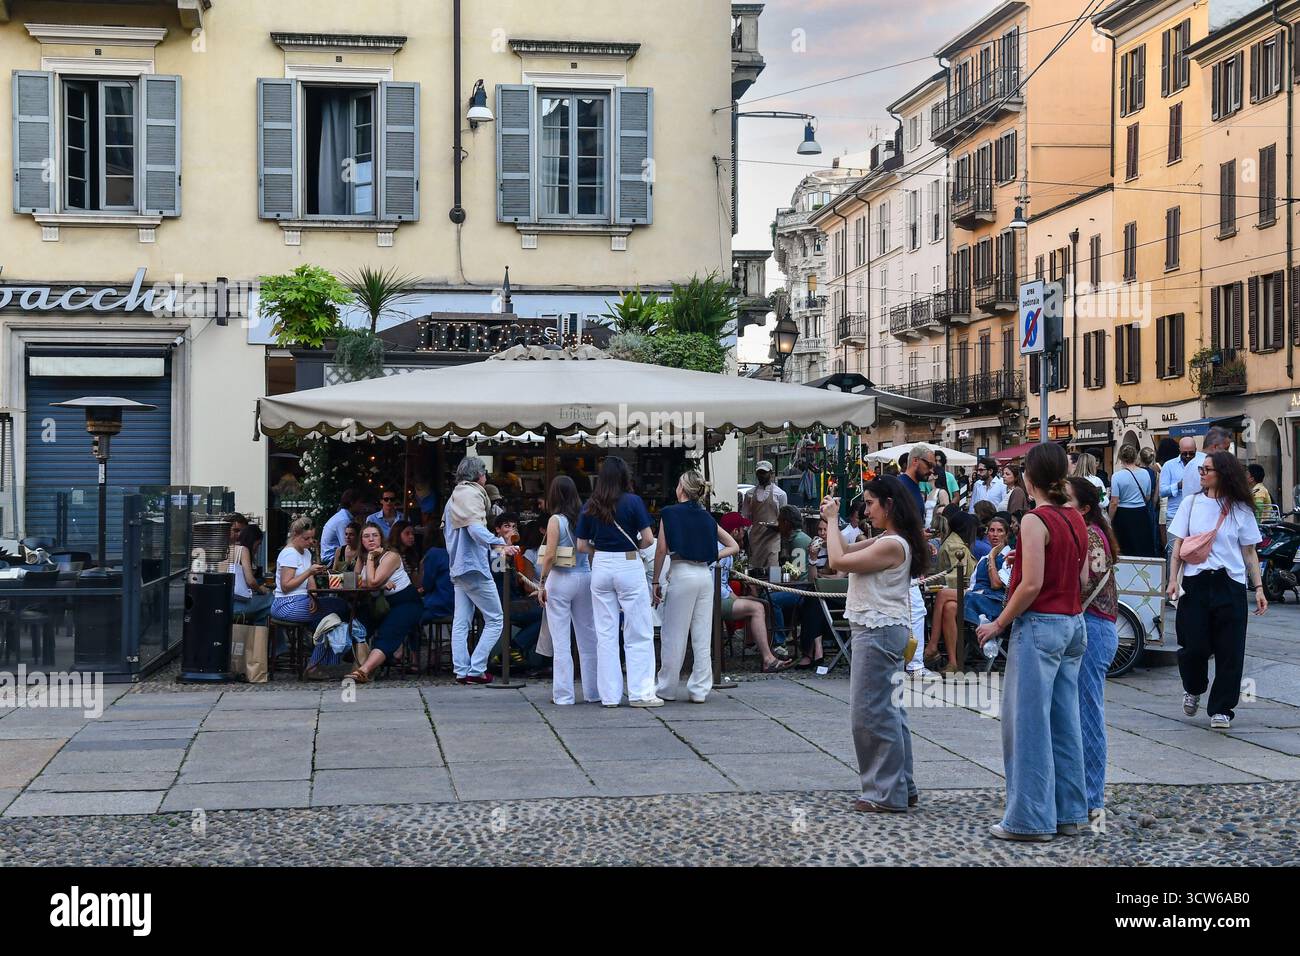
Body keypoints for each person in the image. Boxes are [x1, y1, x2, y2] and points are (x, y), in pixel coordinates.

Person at [975, 442, 1088, 842]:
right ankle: (1071, 814)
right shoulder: (1074, 516)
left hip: (1039, 625)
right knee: (1064, 723)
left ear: (1027, 478)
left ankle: (1029, 819)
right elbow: (1079, 574)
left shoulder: (1034, 521)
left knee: (1028, 727)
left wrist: (999, 624)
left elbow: (1032, 585)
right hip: (1073, 624)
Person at [822, 476, 928, 813]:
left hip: (878, 631)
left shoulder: (892, 544)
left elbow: (837, 561)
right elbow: (843, 551)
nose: (866, 510)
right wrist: (834, 526)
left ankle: (886, 793)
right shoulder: (888, 540)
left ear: (889, 504)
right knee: (890, 713)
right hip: (882, 629)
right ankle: (901, 786)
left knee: (871, 715)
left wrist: (830, 521)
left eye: (870, 503)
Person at [1167, 451, 1267, 730]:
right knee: (1193, 646)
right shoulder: (1191, 503)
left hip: (1230, 583)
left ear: (1223, 473)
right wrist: (1173, 579)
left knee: (1230, 650)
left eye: (1207, 469)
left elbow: (1249, 552)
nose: (1201, 472)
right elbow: (1178, 545)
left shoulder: (1240, 508)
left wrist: (1258, 588)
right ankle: (1194, 687)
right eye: (1201, 468)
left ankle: (1222, 709)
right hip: (1196, 582)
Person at [577, 455, 660, 708]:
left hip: (601, 565)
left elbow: (581, 545)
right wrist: (630, 547)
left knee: (605, 633)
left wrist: (600, 553)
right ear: (625, 477)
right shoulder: (633, 502)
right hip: (628, 563)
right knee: (638, 630)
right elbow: (648, 539)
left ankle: (610, 696)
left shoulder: (590, 505)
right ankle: (641, 692)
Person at [653, 471, 744, 701]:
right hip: (704, 574)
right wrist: (712, 556)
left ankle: (667, 687)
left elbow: (661, 549)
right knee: (702, 635)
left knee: (674, 633)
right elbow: (733, 545)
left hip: (682, 571)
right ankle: (699, 689)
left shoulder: (669, 513)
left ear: (681, 488)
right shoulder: (706, 517)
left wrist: (655, 580)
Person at [1066, 476, 1120, 821]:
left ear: (1084, 508)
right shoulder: (1089, 531)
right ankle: (1082, 792)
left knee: (1088, 713)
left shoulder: (1090, 534)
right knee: (1080, 711)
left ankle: (1092, 796)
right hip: (1095, 626)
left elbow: (1084, 584)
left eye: (1067, 499)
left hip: (1095, 627)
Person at [443, 457, 517, 685]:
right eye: (485, 473)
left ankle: (462, 669)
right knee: (496, 619)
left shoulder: (455, 497)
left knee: (461, 621)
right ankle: (476, 669)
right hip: (472, 566)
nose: (486, 477)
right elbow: (475, 530)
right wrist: (499, 544)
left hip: (458, 565)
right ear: (478, 475)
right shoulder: (471, 494)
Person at [536, 476, 599, 705]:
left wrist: (541, 583)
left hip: (560, 580)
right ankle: (593, 692)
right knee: (588, 637)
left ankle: (563, 695)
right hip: (585, 576)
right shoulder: (585, 515)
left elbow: (550, 555)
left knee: (561, 640)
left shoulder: (556, 520)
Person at [347, 522, 425, 683]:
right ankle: (353, 661)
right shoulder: (361, 558)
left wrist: (370, 559)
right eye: (366, 536)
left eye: (375, 535)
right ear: (361, 540)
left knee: (388, 633)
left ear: (381, 539)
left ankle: (364, 671)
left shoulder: (391, 556)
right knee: (355, 623)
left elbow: (372, 582)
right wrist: (380, 583)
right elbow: (356, 582)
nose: (371, 540)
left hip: (405, 602)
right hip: (380, 604)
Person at [922, 512, 979, 675]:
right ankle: (952, 662)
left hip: (974, 592)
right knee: (949, 606)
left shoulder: (954, 541)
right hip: (967, 589)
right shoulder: (957, 545)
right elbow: (956, 578)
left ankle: (934, 647)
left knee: (946, 600)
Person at [269, 517, 347, 627]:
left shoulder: (306, 552)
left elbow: (310, 581)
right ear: (295, 535)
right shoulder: (289, 553)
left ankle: (316, 641)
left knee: (336, 607)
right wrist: (309, 572)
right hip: (286, 604)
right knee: (340, 606)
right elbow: (285, 586)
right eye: (306, 538)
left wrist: (313, 596)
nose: (310, 541)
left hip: (302, 599)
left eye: (312, 537)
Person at [1108, 445, 1161, 556]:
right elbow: (1147, 497)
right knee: (1142, 547)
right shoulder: (1145, 473)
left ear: (1120, 458)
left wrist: (1109, 520)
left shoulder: (1116, 476)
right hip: (1141, 513)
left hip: (1123, 514)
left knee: (1125, 548)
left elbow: (1114, 502)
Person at [962, 515, 1012, 627]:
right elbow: (972, 585)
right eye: (992, 530)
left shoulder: (1009, 557)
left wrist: (992, 557)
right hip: (977, 596)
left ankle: (985, 632)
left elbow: (996, 584)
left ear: (1006, 534)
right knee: (949, 607)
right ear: (987, 534)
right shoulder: (983, 559)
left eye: (1000, 531)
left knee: (945, 595)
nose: (995, 534)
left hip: (996, 602)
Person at [740, 460, 787, 570]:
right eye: (759, 473)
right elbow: (745, 517)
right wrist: (744, 536)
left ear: (771, 473)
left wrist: (784, 546)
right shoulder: (749, 494)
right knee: (754, 571)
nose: (761, 475)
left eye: (764, 473)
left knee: (772, 570)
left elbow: (784, 519)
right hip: (755, 538)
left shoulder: (780, 494)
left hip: (773, 538)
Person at [228, 524, 272, 624]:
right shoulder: (243, 550)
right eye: (259, 544)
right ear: (254, 541)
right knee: (272, 600)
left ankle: (257, 636)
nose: (258, 547)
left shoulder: (228, 549)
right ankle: (259, 637)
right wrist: (262, 590)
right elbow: (250, 581)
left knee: (264, 611)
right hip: (236, 605)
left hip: (223, 603)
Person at [1182, 426, 1234, 498]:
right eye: (1226, 449)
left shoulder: (1190, 464)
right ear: (1215, 447)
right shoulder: (1212, 465)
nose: (1227, 453)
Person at [419, 526, 454, 624]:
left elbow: (427, 584)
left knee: (410, 611)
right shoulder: (457, 553)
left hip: (441, 604)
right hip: (459, 604)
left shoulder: (434, 553)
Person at [319, 488, 364, 565]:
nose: (362, 506)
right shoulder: (344, 520)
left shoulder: (343, 516)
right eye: (360, 502)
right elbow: (347, 546)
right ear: (352, 503)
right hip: (330, 560)